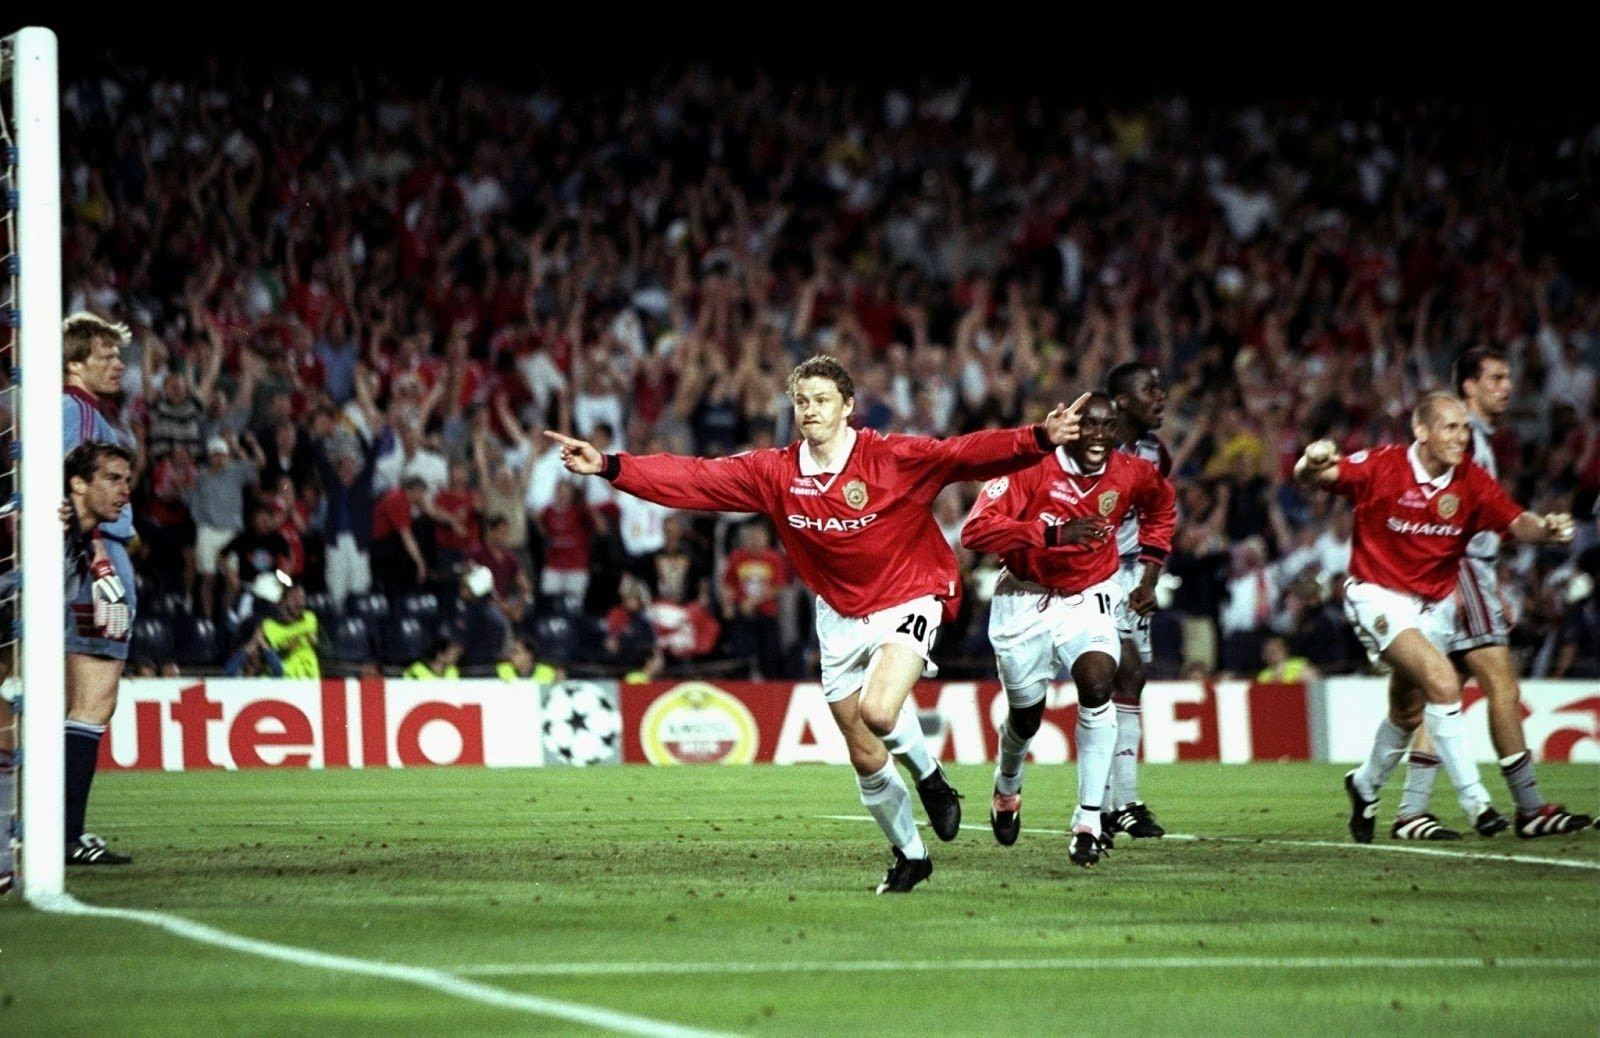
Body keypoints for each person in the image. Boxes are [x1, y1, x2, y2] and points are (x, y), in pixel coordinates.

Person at [547, 353, 1087, 893]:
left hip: (909, 594)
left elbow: (965, 453)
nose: (810, 409)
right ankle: (911, 855)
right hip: (839, 613)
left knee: (879, 710)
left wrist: (1039, 437)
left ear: (848, 406)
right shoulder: (776, 473)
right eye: (802, 401)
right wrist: (611, 466)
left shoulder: (891, 457)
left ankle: (930, 777)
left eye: (822, 400)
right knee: (864, 751)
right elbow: (696, 478)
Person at [1293, 391, 1578, 844]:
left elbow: (1514, 520)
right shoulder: (1383, 465)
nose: (1461, 437)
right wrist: (1310, 461)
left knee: (1407, 710)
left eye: (1464, 428)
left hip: (1435, 606)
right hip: (1377, 595)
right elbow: (1316, 475)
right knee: (1444, 682)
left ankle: (1365, 784)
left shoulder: (1471, 480)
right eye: (1450, 427)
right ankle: (1476, 802)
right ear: (1421, 431)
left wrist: (1545, 529)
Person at [960, 393, 1176, 866]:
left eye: (1108, 426)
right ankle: (1008, 783)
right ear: (1072, 429)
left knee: (1099, 683)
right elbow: (975, 531)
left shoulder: (1132, 472)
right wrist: (1052, 534)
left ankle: (1088, 820)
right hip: (1024, 596)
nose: (1099, 436)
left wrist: (1149, 574)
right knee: (1026, 716)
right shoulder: (1029, 467)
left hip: (1089, 593)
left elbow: (1162, 508)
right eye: (1089, 425)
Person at [1392, 348, 1592, 840]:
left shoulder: (1475, 442)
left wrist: (1492, 578)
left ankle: (1411, 810)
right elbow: (1446, 513)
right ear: (1469, 386)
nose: (1507, 387)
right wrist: (1460, 581)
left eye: (1508, 378)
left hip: (1467, 571)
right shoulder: (1466, 443)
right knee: (1503, 686)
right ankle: (1530, 807)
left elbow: (1484, 515)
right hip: (1460, 569)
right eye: (1496, 378)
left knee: (1444, 692)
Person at [61, 312, 140, 866]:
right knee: (93, 698)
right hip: (95, 565)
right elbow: (69, 488)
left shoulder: (89, 412)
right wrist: (97, 556)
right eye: (105, 355)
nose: (117, 364)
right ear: (74, 362)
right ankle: (65, 835)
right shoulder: (76, 411)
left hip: (96, 559)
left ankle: (58, 831)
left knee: (83, 701)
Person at [1101, 362, 1175, 840]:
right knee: (1122, 672)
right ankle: (1119, 803)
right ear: (1122, 401)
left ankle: (1113, 805)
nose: (1160, 396)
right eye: (1150, 389)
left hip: (1132, 576)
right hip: (1090, 573)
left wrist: (1148, 579)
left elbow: (1157, 518)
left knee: (1129, 680)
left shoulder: (1154, 454)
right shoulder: (1089, 445)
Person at [260, 578, 321, 678]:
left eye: (302, 598)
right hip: (283, 682)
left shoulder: (310, 619)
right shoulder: (268, 626)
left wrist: (317, 644)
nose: (299, 603)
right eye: (294, 598)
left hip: (310, 682)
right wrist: (285, 650)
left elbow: (328, 651)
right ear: (283, 601)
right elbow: (261, 661)